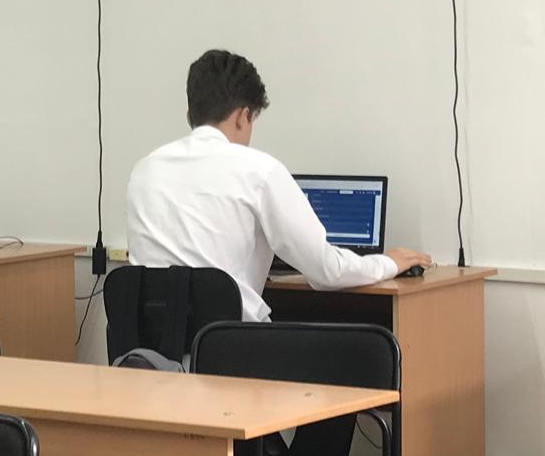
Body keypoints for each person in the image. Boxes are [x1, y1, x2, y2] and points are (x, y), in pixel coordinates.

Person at [126, 49, 432, 323]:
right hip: (228, 352)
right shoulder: (259, 171)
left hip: (144, 357)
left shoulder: (144, 170)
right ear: (243, 116)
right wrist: (387, 263)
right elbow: (327, 271)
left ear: (190, 113)